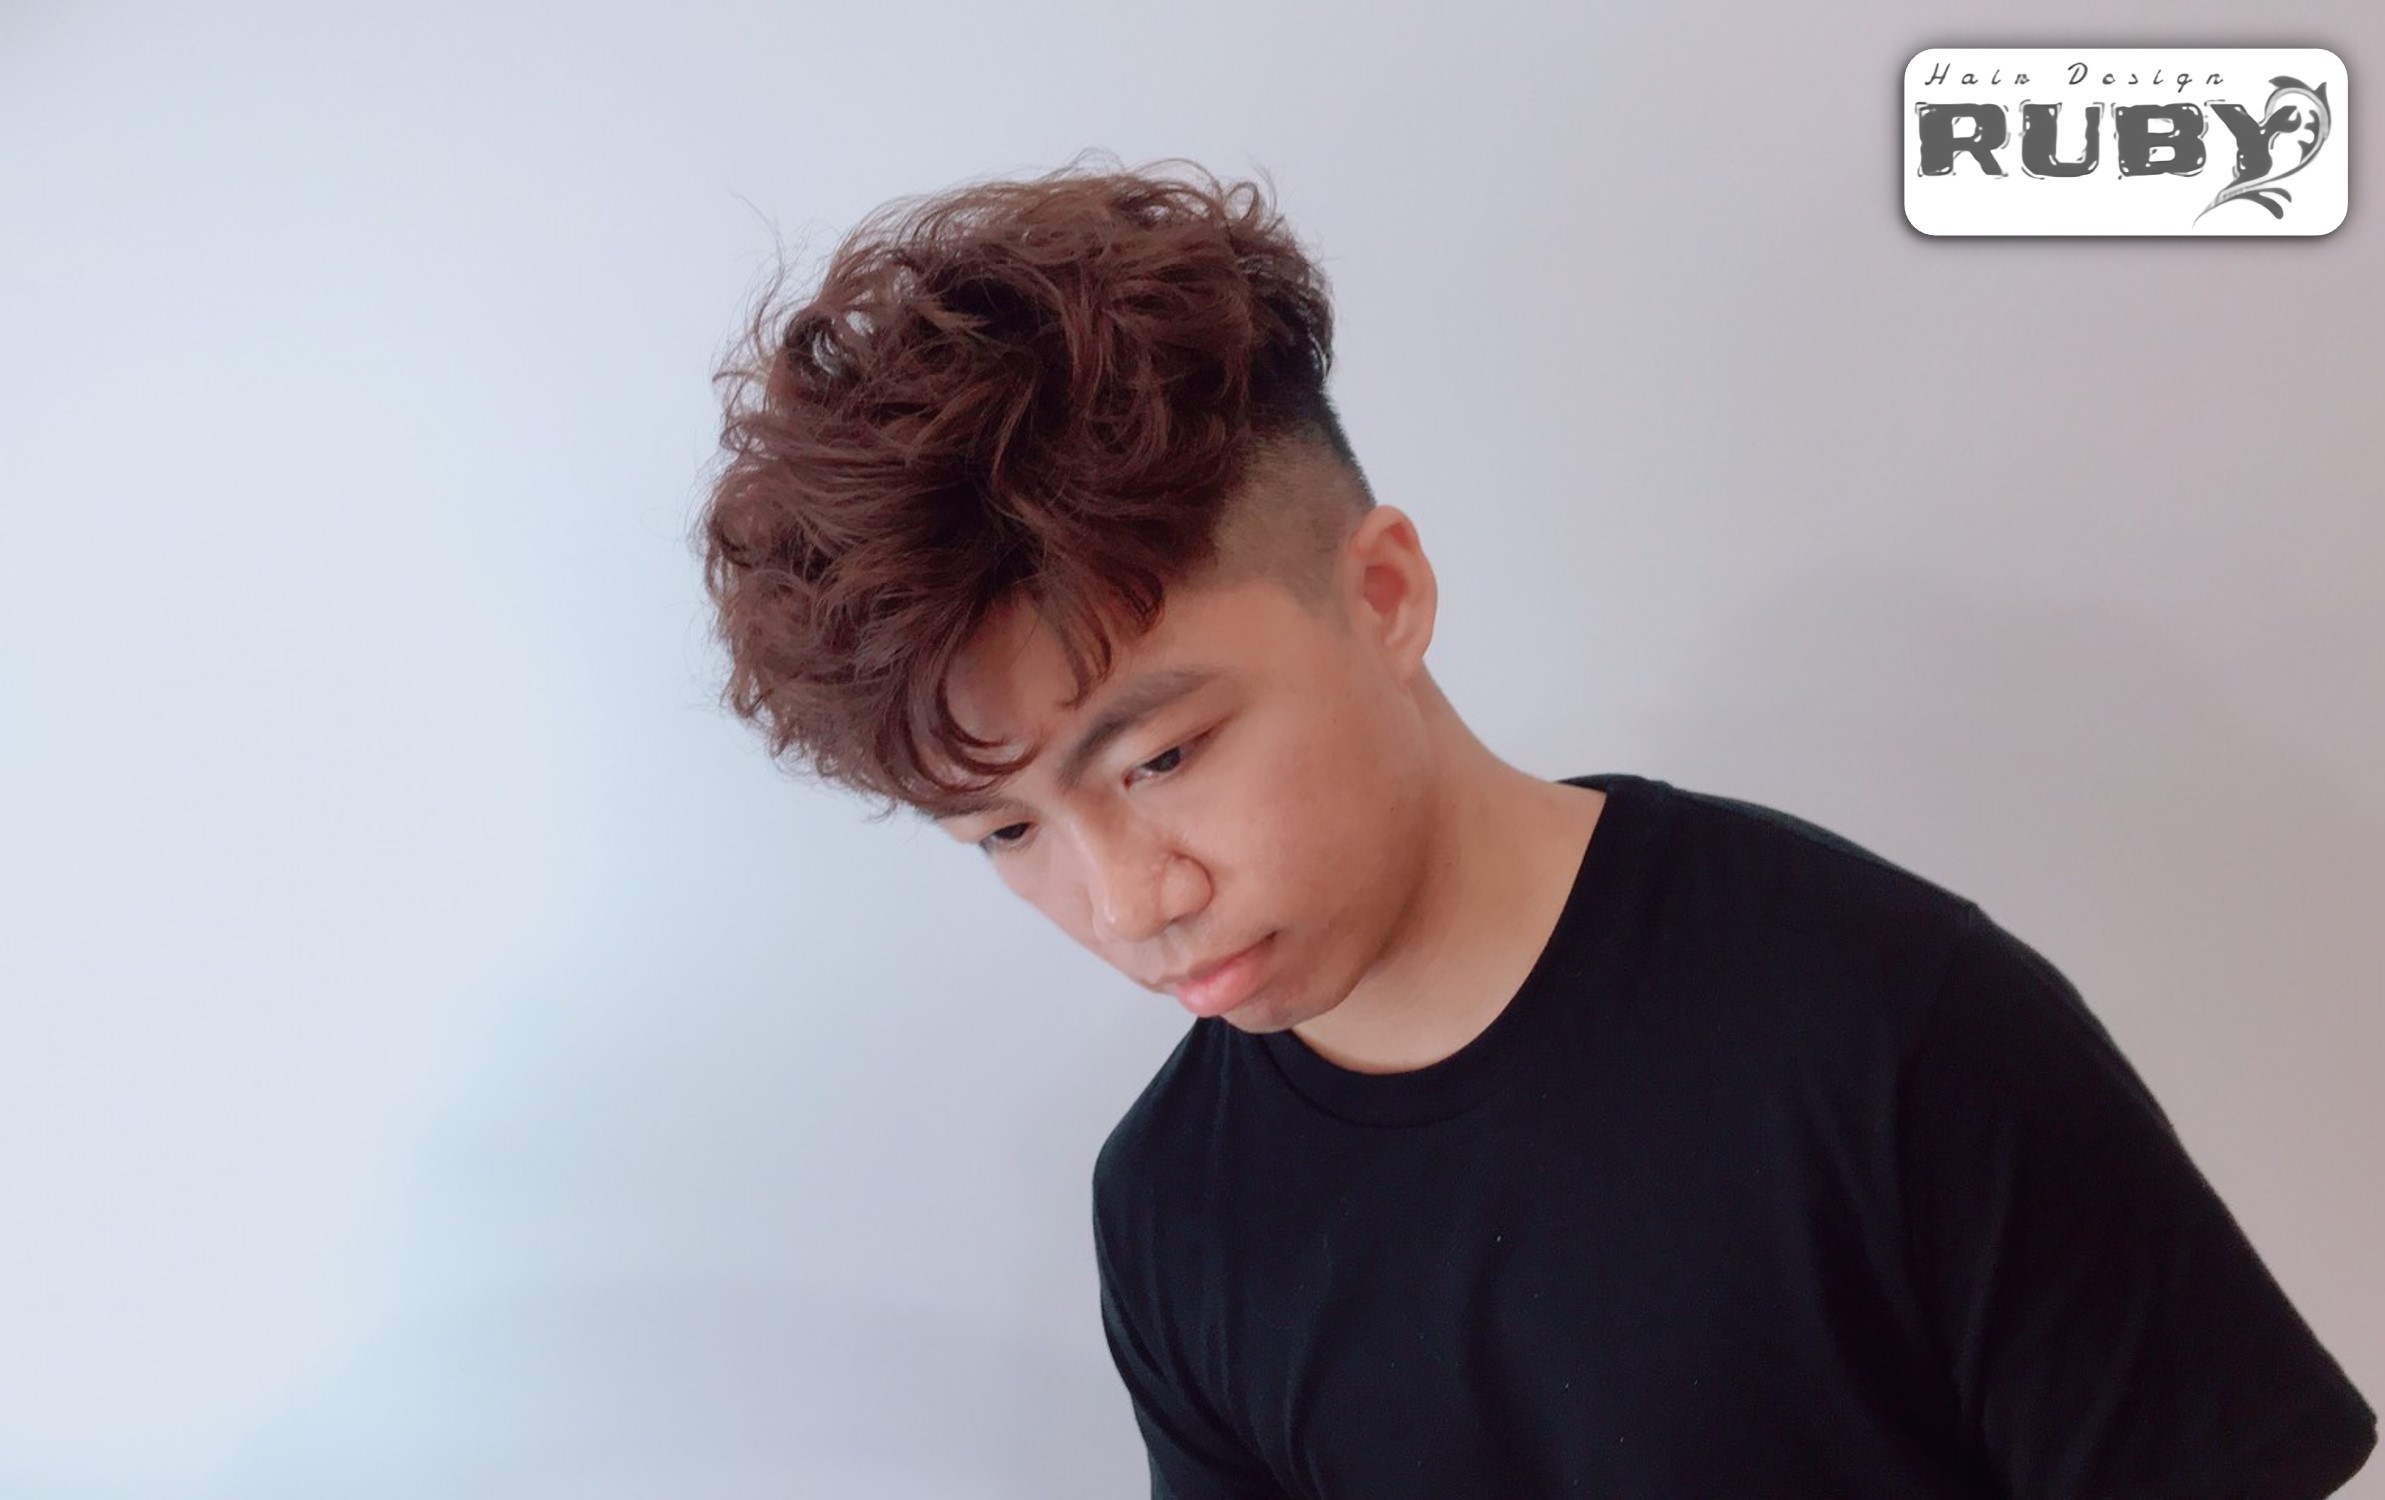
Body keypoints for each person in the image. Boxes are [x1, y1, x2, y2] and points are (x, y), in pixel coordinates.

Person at [689, 154, 2377, 1498]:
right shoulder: (1174, 1210)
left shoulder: (1890, 1030)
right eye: (1005, 834)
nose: (1128, 902)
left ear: (1383, 595)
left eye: (1162, 757)